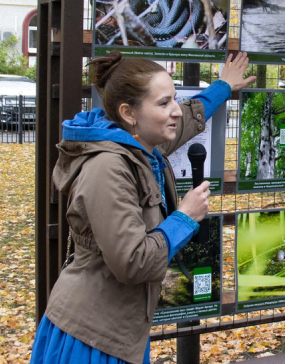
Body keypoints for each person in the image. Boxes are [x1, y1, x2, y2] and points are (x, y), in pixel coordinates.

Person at [30, 51, 256, 364]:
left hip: (120, 332)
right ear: (128, 112)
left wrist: (223, 86)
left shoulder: (140, 145)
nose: (175, 110)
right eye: (164, 103)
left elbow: (190, 117)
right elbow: (132, 262)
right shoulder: (109, 166)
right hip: (91, 337)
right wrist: (185, 218)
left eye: (174, 99)